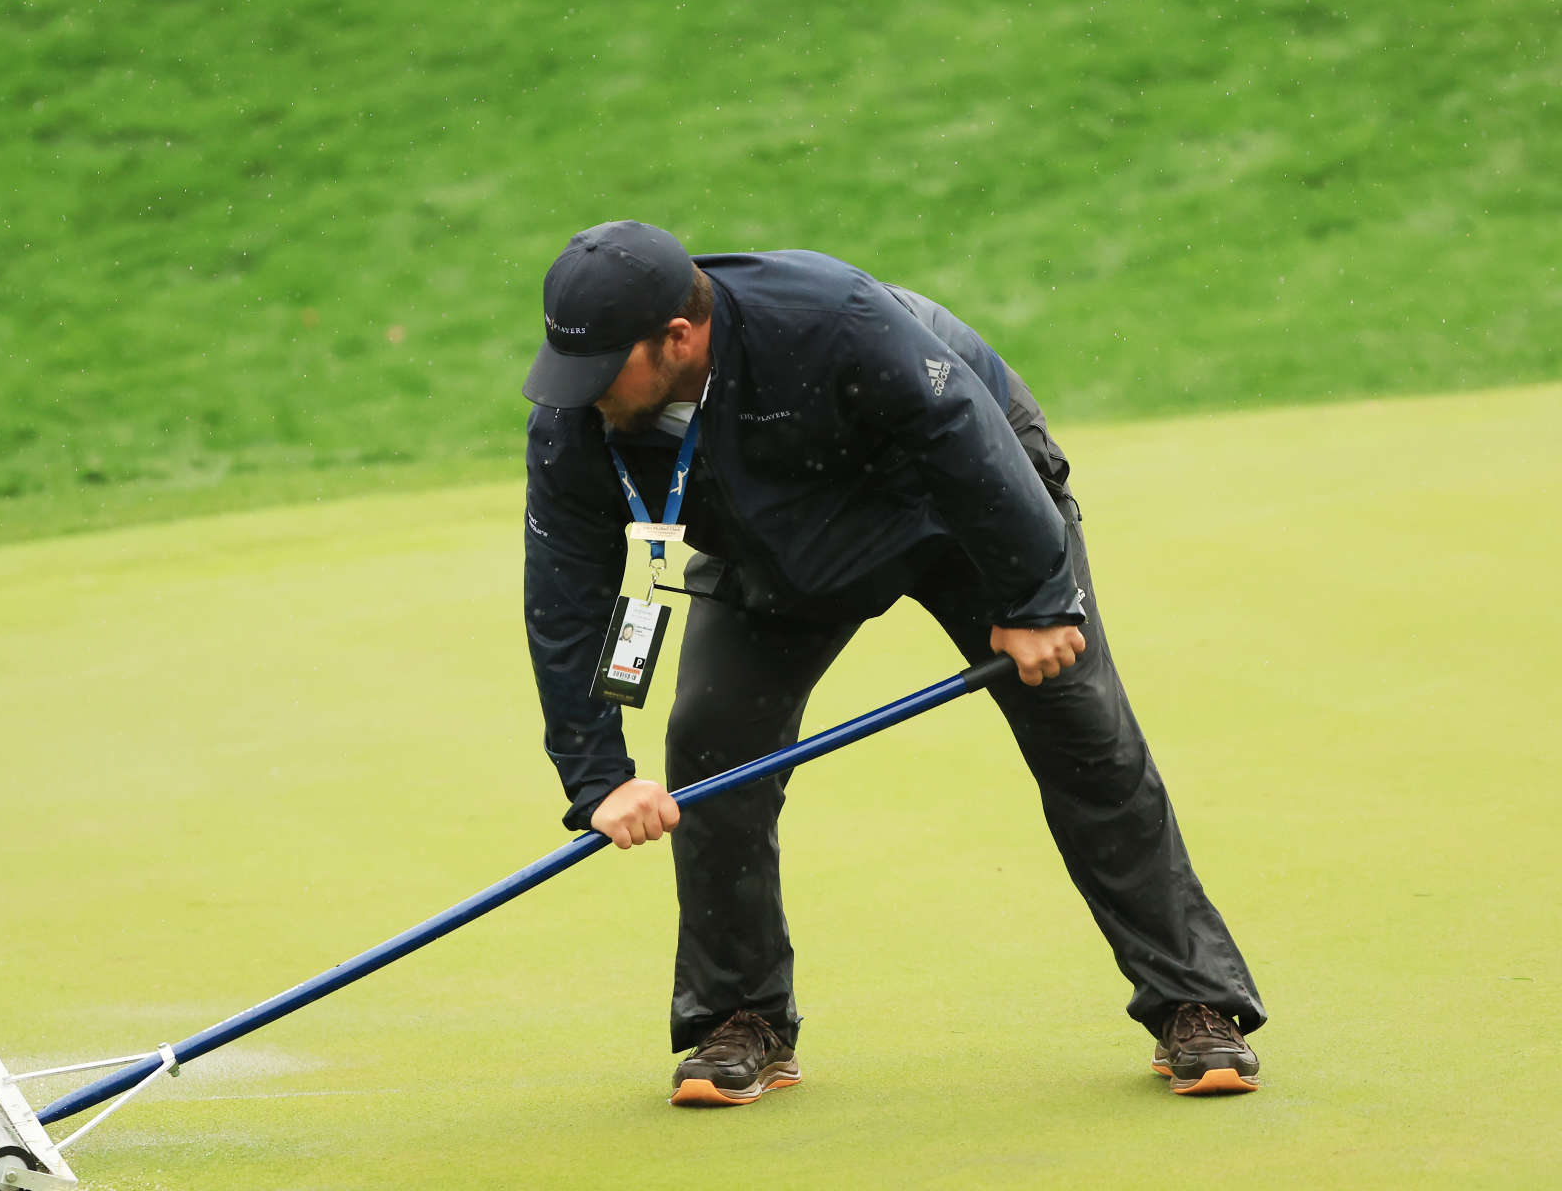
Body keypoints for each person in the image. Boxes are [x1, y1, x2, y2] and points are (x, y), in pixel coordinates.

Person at [519, 220, 1265, 1104]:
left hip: (957, 509)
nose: (580, 392)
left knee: (1083, 735)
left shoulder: (831, 318)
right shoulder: (580, 423)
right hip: (773, 544)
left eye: (604, 366)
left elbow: (967, 438)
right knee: (714, 750)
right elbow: (569, 594)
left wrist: (1034, 601)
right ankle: (739, 1020)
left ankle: (1194, 1001)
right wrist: (597, 773)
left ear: (678, 339)